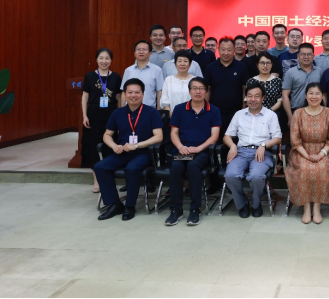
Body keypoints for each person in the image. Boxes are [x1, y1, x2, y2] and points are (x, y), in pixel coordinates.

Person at [94, 79, 163, 221]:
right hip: (122, 152)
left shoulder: (151, 112)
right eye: (130, 92)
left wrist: (137, 145)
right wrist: (114, 146)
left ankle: (130, 206)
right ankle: (115, 204)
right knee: (100, 167)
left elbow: (159, 136)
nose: (133, 95)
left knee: (131, 169)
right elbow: (107, 135)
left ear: (143, 94)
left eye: (137, 92)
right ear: (124, 94)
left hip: (143, 153)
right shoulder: (118, 113)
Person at [165, 78, 221, 227]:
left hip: (202, 151)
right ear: (189, 91)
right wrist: (180, 147)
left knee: (193, 166)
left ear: (206, 91)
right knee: (176, 167)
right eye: (194, 88)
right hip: (182, 150)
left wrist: (199, 148)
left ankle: (195, 209)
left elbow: (214, 136)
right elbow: (174, 133)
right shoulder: (179, 109)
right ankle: (176, 210)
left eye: (201, 88)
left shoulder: (213, 110)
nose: (198, 91)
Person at [223, 84, 282, 218]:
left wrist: (263, 145)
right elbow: (227, 136)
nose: (253, 99)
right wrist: (232, 146)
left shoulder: (270, 115)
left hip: (262, 153)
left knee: (256, 176)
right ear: (246, 98)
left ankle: (256, 203)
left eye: (256, 96)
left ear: (263, 98)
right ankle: (242, 203)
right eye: (249, 96)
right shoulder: (239, 114)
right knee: (230, 175)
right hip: (241, 152)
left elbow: (278, 138)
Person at [287, 83, 329, 224]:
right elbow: (295, 139)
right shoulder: (298, 113)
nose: (314, 96)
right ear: (306, 96)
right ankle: (306, 208)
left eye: (317, 93)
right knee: (304, 169)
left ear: (322, 96)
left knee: (321, 169)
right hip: (301, 152)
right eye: (311, 93)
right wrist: (307, 156)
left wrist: (320, 154)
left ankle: (317, 208)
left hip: (324, 152)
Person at [81, 48, 122, 193]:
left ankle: (108, 177)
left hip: (111, 114)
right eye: (101, 58)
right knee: (94, 148)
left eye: (107, 58)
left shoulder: (116, 77)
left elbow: (119, 97)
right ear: (96, 60)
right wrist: (84, 115)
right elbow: (85, 96)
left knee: (109, 146)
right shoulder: (89, 76)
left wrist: (120, 115)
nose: (104, 61)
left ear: (111, 60)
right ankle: (96, 180)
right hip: (93, 115)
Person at [204, 37, 250, 136]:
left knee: (234, 139)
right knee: (215, 138)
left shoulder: (241, 66)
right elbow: (207, 90)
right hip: (215, 112)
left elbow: (245, 90)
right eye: (223, 49)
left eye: (229, 50)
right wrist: (206, 109)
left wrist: (243, 109)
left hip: (236, 112)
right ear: (218, 49)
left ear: (234, 50)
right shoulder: (211, 67)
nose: (226, 53)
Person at [282, 43, 323, 125]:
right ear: (298, 56)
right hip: (296, 111)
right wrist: (290, 117)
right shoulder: (290, 72)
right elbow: (285, 95)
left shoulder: (320, 72)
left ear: (313, 56)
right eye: (303, 54)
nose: (306, 57)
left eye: (309, 54)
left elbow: (324, 94)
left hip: (317, 112)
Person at [120, 40, 164, 109]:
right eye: (138, 49)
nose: (141, 52)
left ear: (150, 53)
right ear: (134, 53)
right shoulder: (128, 70)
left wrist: (158, 110)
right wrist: (122, 110)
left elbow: (159, 92)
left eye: (144, 49)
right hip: (129, 110)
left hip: (149, 110)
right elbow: (123, 92)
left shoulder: (157, 70)